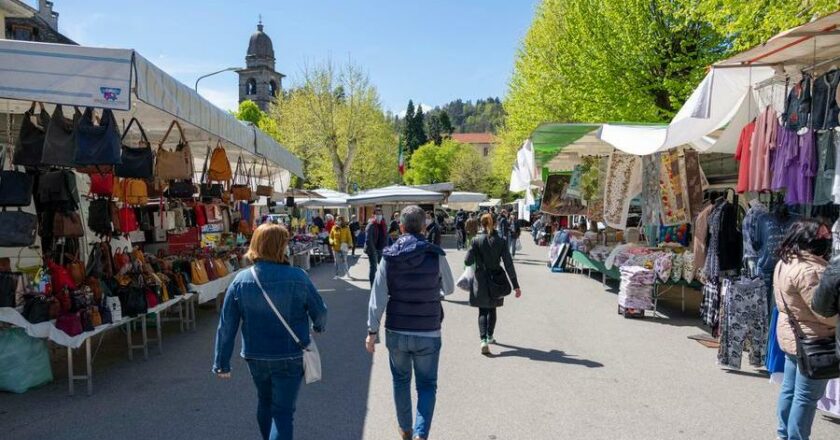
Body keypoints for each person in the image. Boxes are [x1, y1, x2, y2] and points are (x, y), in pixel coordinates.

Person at [214, 224, 328, 440]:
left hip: (256, 355)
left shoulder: (241, 280)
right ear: (281, 246)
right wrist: (318, 327)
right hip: (291, 354)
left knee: (265, 402)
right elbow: (320, 311)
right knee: (283, 412)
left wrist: (222, 362)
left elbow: (227, 324)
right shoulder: (298, 277)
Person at [366, 205, 455, 440]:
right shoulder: (435, 255)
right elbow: (449, 287)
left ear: (401, 227)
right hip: (428, 330)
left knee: (400, 381)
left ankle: (405, 429)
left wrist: (372, 331)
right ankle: (420, 433)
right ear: (424, 227)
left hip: (396, 329)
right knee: (427, 385)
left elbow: (378, 297)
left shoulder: (389, 256)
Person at [773, 219, 836, 440]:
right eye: (822, 237)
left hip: (794, 336)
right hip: (813, 341)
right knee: (805, 397)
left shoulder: (786, 261)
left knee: (790, 391)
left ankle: (784, 435)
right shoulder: (810, 270)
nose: (827, 240)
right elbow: (826, 314)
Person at [465, 213, 521, 355]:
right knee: (493, 309)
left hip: (481, 279)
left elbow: (467, 261)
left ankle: (483, 340)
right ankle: (490, 336)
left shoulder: (476, 240)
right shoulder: (501, 241)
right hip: (496, 278)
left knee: (482, 310)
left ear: (480, 224)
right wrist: (515, 285)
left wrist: (472, 248)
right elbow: (508, 263)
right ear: (495, 224)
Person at [365, 208, 388, 284]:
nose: (379, 216)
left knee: (383, 267)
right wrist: (373, 251)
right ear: (373, 215)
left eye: (380, 214)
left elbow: (386, 237)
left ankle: (381, 284)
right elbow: (368, 239)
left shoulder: (384, 224)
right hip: (372, 250)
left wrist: (387, 249)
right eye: (377, 214)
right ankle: (372, 285)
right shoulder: (371, 225)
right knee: (373, 267)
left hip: (381, 249)